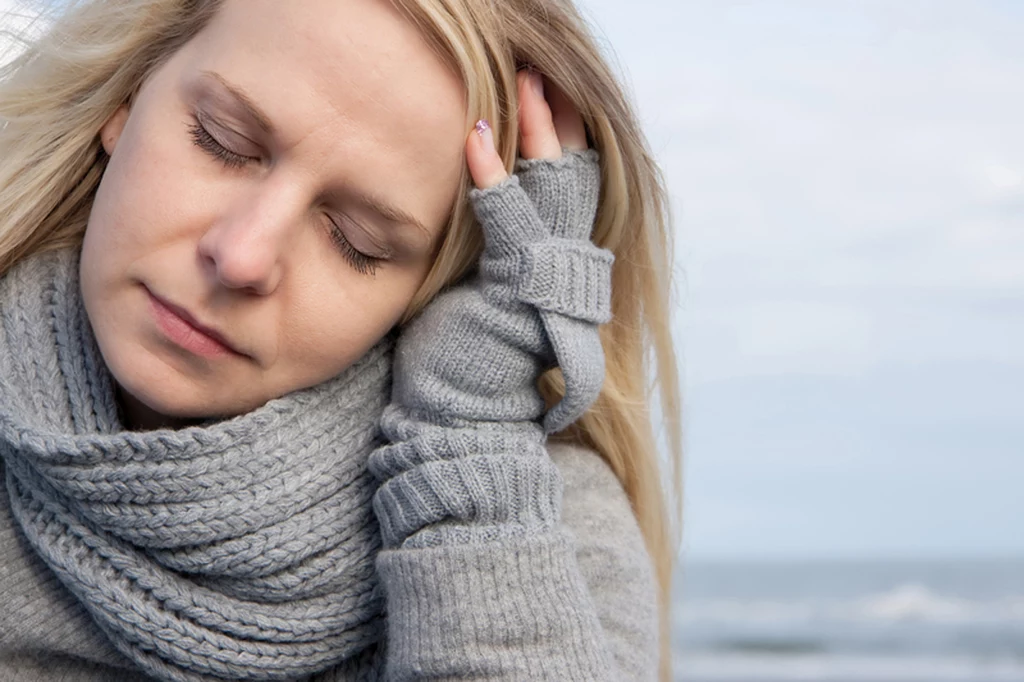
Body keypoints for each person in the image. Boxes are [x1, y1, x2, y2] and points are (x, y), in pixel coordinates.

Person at [0, 0, 682, 680]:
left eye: (356, 243)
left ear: (433, 292)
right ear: (126, 97)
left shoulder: (550, 533)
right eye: (222, 139)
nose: (241, 257)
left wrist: (468, 442)